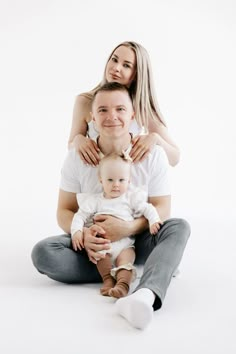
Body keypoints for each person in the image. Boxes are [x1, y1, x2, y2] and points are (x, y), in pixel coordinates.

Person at [31, 82, 190, 330]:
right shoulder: (78, 155)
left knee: (178, 227)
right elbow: (65, 210)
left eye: (120, 109)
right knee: (43, 253)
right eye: (103, 110)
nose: (112, 116)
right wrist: (83, 234)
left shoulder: (151, 154)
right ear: (92, 117)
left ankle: (145, 294)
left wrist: (126, 229)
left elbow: (162, 208)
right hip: (96, 245)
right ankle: (135, 269)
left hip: (139, 238)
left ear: (132, 114)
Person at [68, 41, 180, 167]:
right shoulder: (85, 101)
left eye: (126, 65)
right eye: (114, 59)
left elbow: (174, 158)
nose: (116, 68)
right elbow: (71, 148)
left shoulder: (141, 108)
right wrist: (77, 141)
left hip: (129, 183)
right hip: (93, 181)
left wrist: (155, 139)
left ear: (136, 74)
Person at [71, 152, 162, 298]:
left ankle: (122, 286)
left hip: (125, 246)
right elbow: (80, 215)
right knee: (101, 257)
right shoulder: (96, 201)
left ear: (129, 181)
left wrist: (154, 221)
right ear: (101, 180)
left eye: (121, 180)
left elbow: (148, 208)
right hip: (103, 245)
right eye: (110, 180)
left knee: (126, 261)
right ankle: (107, 280)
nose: (116, 185)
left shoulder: (130, 198)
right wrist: (77, 232)